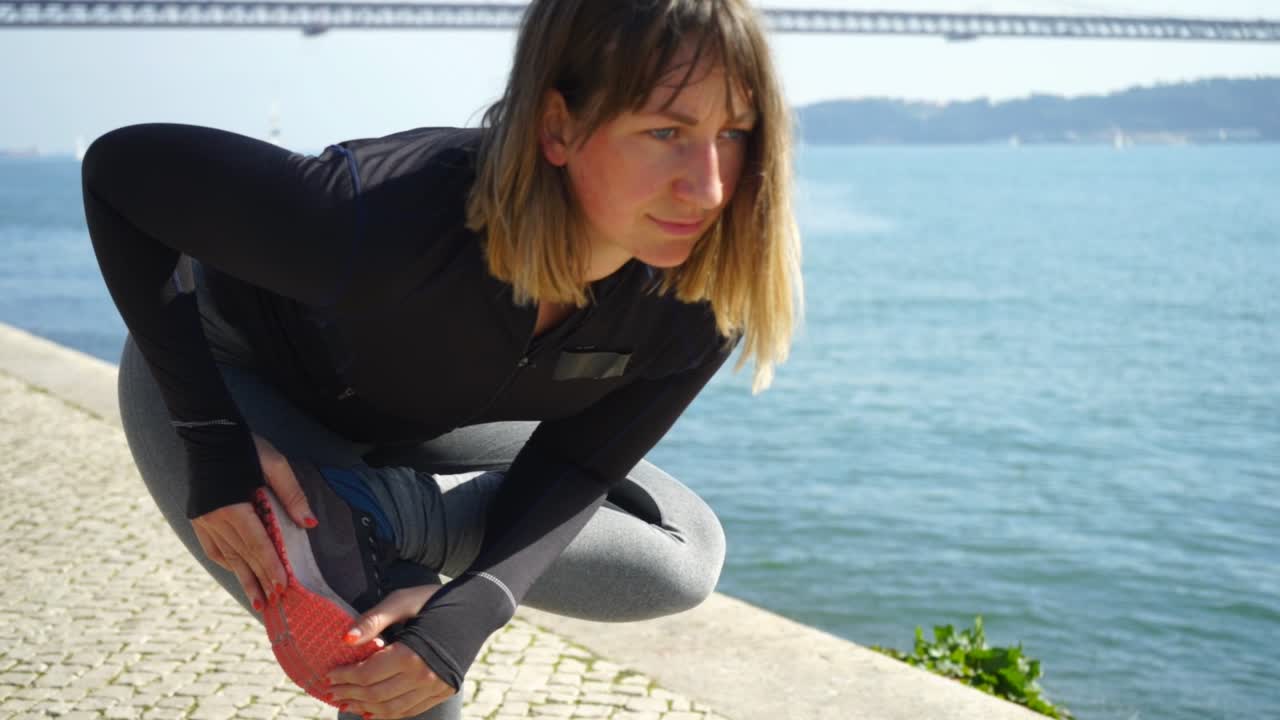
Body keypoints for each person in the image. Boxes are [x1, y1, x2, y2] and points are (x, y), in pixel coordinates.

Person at [81, 0, 801, 717]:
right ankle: (340, 519)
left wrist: (476, 604)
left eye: (733, 132)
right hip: (238, 384)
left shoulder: (702, 292)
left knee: (681, 554)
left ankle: (381, 513)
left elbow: (581, 464)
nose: (708, 186)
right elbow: (120, 171)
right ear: (557, 127)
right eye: (666, 131)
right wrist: (211, 440)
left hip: (429, 413)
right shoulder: (391, 219)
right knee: (395, 678)